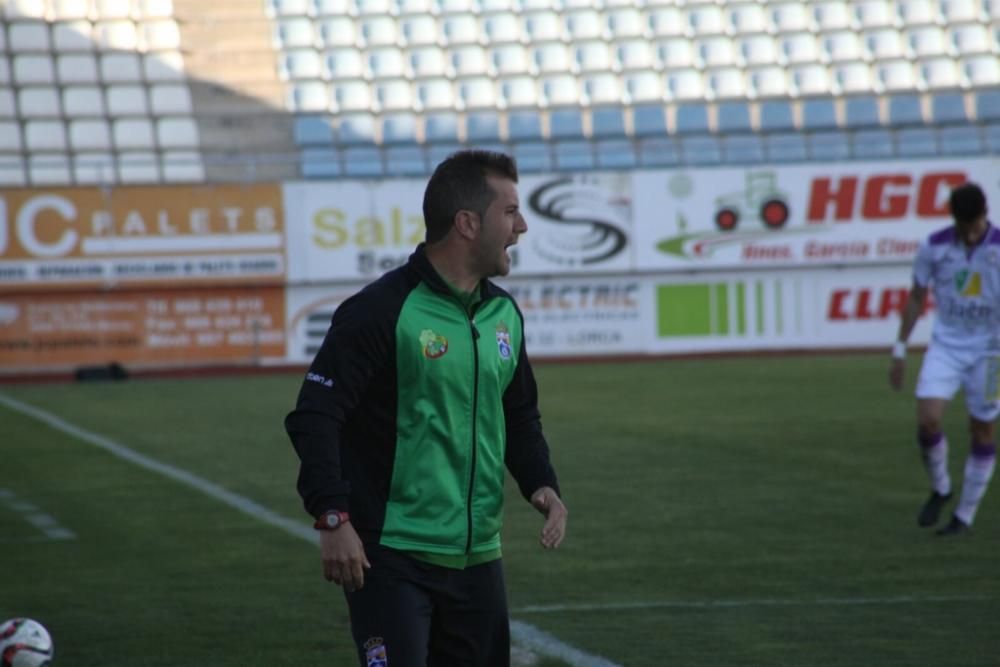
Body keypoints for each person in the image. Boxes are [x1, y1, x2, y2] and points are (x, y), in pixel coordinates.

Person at [285, 149, 568, 666]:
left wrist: (540, 482)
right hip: (392, 557)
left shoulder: (503, 312)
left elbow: (518, 412)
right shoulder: (381, 310)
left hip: (479, 557)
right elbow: (316, 415)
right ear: (466, 223)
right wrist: (332, 516)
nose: (522, 226)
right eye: (509, 212)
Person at [889, 181, 997, 536]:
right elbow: (917, 296)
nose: (968, 233)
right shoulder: (933, 246)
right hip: (947, 347)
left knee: (982, 430)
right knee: (928, 420)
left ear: (985, 215)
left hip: (992, 353)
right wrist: (900, 349)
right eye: (962, 226)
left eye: (974, 225)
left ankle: (963, 516)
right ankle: (941, 487)